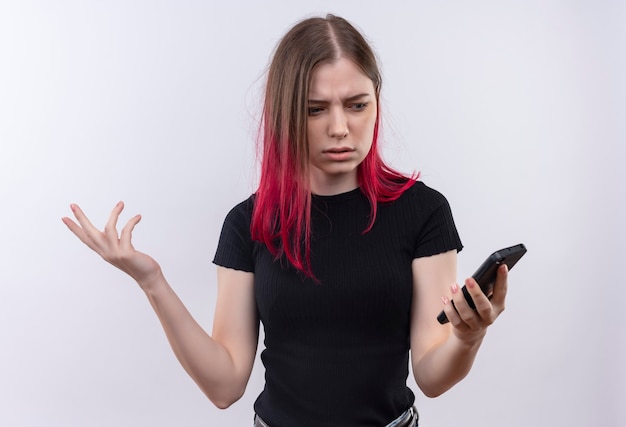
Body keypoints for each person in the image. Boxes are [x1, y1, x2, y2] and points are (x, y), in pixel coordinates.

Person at [62, 14, 508, 427]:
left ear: (377, 101)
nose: (339, 127)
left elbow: (431, 375)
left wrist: (467, 338)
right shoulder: (248, 223)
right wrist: (152, 281)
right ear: (285, 111)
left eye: (357, 105)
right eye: (316, 109)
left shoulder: (423, 212)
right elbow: (224, 385)